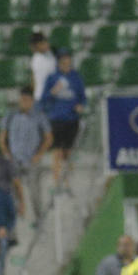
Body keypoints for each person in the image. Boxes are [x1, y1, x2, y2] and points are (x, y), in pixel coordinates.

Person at [0, 86, 53, 223]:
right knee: (12, 191)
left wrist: (39, 155)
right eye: (23, 100)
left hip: (31, 159)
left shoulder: (39, 116)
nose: (25, 103)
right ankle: (14, 220)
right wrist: (7, 154)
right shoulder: (10, 115)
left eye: (28, 100)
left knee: (35, 191)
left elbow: (49, 137)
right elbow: (2, 138)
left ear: (32, 101)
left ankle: (39, 219)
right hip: (15, 160)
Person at [40, 48, 86, 189]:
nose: (65, 63)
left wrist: (80, 106)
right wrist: (53, 92)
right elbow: (44, 99)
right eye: (63, 61)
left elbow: (83, 98)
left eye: (67, 60)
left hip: (72, 119)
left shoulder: (76, 78)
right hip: (57, 119)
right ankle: (56, 181)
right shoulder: (52, 78)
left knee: (68, 152)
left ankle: (67, 181)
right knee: (57, 151)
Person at [29, 31, 57, 103]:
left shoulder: (53, 55)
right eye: (41, 44)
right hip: (39, 97)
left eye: (45, 42)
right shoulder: (35, 60)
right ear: (36, 46)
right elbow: (33, 80)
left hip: (52, 96)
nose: (45, 45)